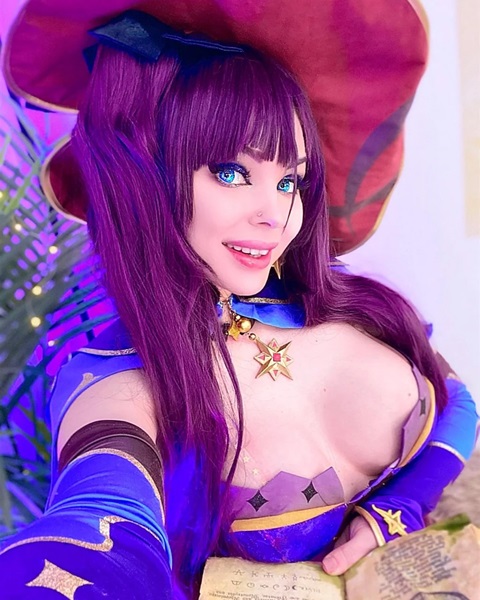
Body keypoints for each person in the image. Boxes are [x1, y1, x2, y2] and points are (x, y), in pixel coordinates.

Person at [0, 1, 477, 599]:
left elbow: (457, 401)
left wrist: (401, 506)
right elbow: (97, 523)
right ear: (143, 178)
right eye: (231, 172)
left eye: (289, 180)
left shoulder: (352, 302)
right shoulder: (119, 384)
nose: (276, 215)